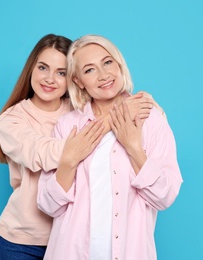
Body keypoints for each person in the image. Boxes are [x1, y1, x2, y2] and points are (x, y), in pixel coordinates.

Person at [0, 34, 161, 259]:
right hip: (23, 241)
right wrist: (116, 118)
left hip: (70, 241)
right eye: (43, 68)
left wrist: (143, 101)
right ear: (31, 69)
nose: (50, 79)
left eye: (61, 72)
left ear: (74, 78)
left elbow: (110, 96)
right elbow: (41, 153)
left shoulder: (77, 110)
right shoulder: (11, 120)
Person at [37, 34, 183, 260]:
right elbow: (48, 205)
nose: (104, 75)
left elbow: (164, 197)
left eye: (107, 62)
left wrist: (134, 148)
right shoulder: (67, 126)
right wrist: (68, 161)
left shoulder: (150, 117)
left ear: (118, 64)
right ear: (78, 81)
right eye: (89, 70)